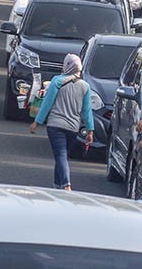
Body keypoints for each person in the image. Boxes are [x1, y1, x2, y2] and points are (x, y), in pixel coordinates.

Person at [29, 54, 94, 191]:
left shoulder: (57, 81)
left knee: (60, 155)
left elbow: (47, 102)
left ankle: (65, 184)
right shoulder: (85, 86)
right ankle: (57, 185)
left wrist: (37, 121)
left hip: (55, 126)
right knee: (62, 155)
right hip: (73, 128)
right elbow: (87, 111)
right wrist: (90, 131)